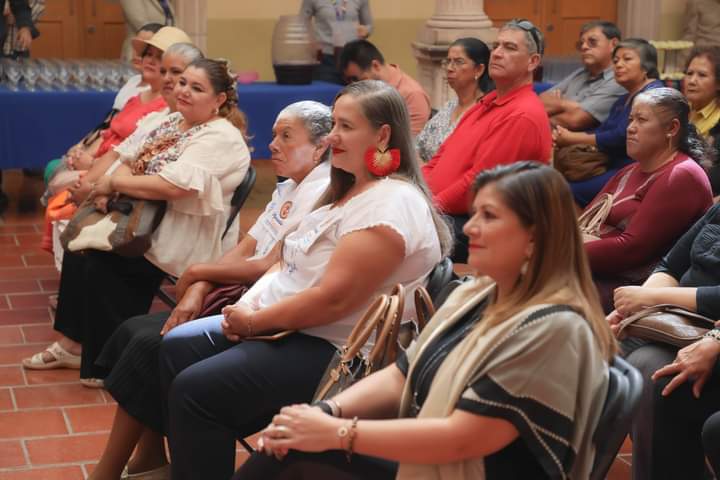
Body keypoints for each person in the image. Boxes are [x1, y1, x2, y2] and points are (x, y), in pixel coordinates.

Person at [234, 162, 614, 480]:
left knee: (292, 453)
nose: (469, 227)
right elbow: (403, 372)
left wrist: (337, 433)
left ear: (535, 238)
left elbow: (463, 440)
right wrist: (324, 412)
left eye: (490, 216)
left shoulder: (555, 328)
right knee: (289, 443)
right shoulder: (477, 293)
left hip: (470, 467)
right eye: (475, 212)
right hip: (441, 460)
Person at [158, 79, 452, 480]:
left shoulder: (390, 202)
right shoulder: (347, 190)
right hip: (292, 325)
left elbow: (332, 301)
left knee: (194, 391)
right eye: (334, 124)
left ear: (383, 135)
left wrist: (254, 321)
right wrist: (248, 305)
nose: (332, 137)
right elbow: (285, 260)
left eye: (346, 127)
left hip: (332, 349)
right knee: (174, 349)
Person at [84, 101, 334, 480]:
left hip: (266, 308)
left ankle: (121, 467)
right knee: (139, 332)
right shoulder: (288, 188)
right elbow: (243, 250)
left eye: (286, 136)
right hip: (240, 290)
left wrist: (199, 272)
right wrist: (197, 286)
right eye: (273, 135)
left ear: (320, 148)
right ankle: (147, 456)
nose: (274, 145)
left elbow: (269, 265)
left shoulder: (322, 192)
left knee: (151, 343)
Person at [23, 58, 251, 389]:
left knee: (103, 259)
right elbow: (128, 157)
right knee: (79, 246)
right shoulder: (174, 121)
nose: (183, 90)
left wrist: (116, 184)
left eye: (196, 87)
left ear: (218, 100)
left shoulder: (222, 137)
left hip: (180, 233)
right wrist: (121, 179)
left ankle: (110, 363)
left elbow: (170, 186)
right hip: (143, 218)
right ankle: (74, 345)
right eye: (183, 82)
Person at [422, 19, 552, 263]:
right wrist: (416, 192)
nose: (498, 54)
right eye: (496, 46)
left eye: (510, 48)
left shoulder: (522, 115)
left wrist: (427, 210)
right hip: (444, 211)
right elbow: (440, 157)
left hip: (476, 224)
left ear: (532, 62)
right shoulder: (487, 101)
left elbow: (478, 184)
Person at [605, 201, 720, 479]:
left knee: (652, 374)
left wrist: (652, 299)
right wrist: (629, 311)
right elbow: (671, 266)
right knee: (599, 351)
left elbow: (632, 245)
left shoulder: (680, 176)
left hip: (705, 327)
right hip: (678, 320)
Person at [585, 87, 712, 312]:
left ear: (672, 128)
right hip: (599, 270)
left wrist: (562, 251)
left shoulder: (682, 175)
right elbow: (587, 220)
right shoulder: (630, 170)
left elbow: (631, 250)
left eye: (641, 120)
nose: (631, 128)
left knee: (541, 293)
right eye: (631, 119)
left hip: (637, 288)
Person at [554, 38, 664, 206]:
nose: (618, 65)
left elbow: (621, 135)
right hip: (613, 165)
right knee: (556, 179)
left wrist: (573, 138)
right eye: (616, 61)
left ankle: (579, 232)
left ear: (646, 65)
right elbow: (603, 130)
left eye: (627, 59)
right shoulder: (623, 99)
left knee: (566, 190)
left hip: (639, 169)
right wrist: (566, 135)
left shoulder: (654, 93)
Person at [416, 37, 492, 162]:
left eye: (459, 62)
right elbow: (418, 146)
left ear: (479, 69)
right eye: (448, 61)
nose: (450, 68)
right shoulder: (450, 106)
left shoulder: (484, 110)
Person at [541, 21, 625, 131]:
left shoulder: (618, 80)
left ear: (613, 44)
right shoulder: (581, 73)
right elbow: (540, 100)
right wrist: (568, 105)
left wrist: (558, 104)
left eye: (592, 42)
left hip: (579, 144)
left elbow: (574, 120)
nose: (584, 47)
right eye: (581, 44)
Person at [339, 39, 430, 136]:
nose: (355, 86)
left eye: (357, 79)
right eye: (349, 81)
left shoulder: (412, 95)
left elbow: (411, 146)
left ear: (375, 66)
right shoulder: (365, 92)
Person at [300, 0, 372, 84]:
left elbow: (369, 25)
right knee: (327, 93)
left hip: (353, 57)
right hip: (326, 58)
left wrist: (366, 31)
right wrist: (310, 41)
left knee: (354, 93)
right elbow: (301, 24)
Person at [685, 46, 720, 138]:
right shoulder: (680, 108)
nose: (692, 81)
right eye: (689, 73)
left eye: (702, 75)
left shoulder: (717, 123)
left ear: (718, 83)